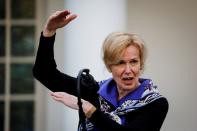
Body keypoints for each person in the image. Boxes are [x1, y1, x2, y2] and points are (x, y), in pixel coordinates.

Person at [33, 10, 169, 131]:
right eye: (120, 63)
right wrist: (49, 32)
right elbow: (44, 73)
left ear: (141, 64)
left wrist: (89, 109)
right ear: (109, 66)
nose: (128, 70)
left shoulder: (155, 103)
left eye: (133, 62)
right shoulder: (95, 91)